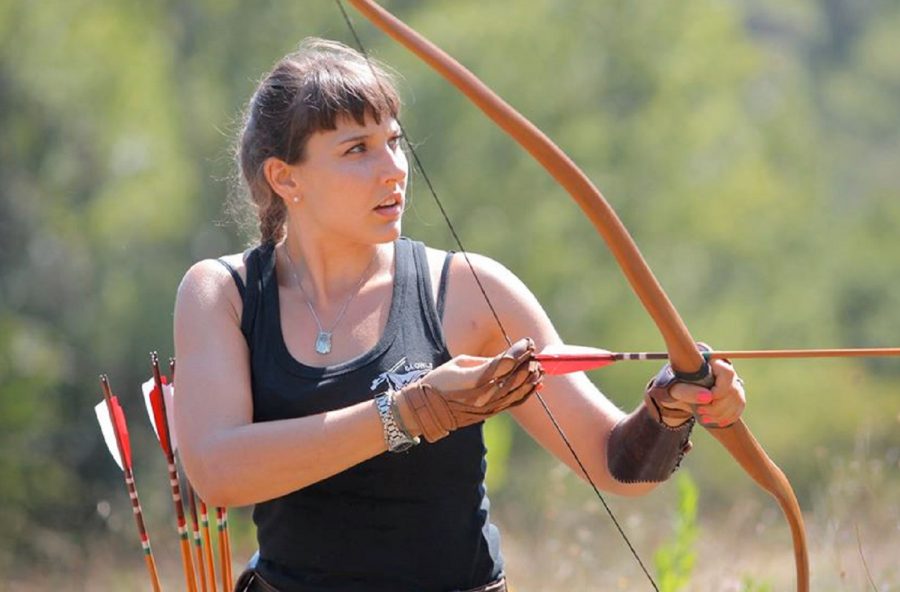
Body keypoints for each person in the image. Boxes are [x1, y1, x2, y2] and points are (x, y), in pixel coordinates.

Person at [173, 38, 746, 592]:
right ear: (285, 177)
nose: (393, 169)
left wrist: (670, 410)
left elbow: (613, 463)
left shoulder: (471, 291)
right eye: (357, 150)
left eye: (394, 141)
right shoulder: (224, 293)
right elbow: (218, 471)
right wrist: (408, 413)